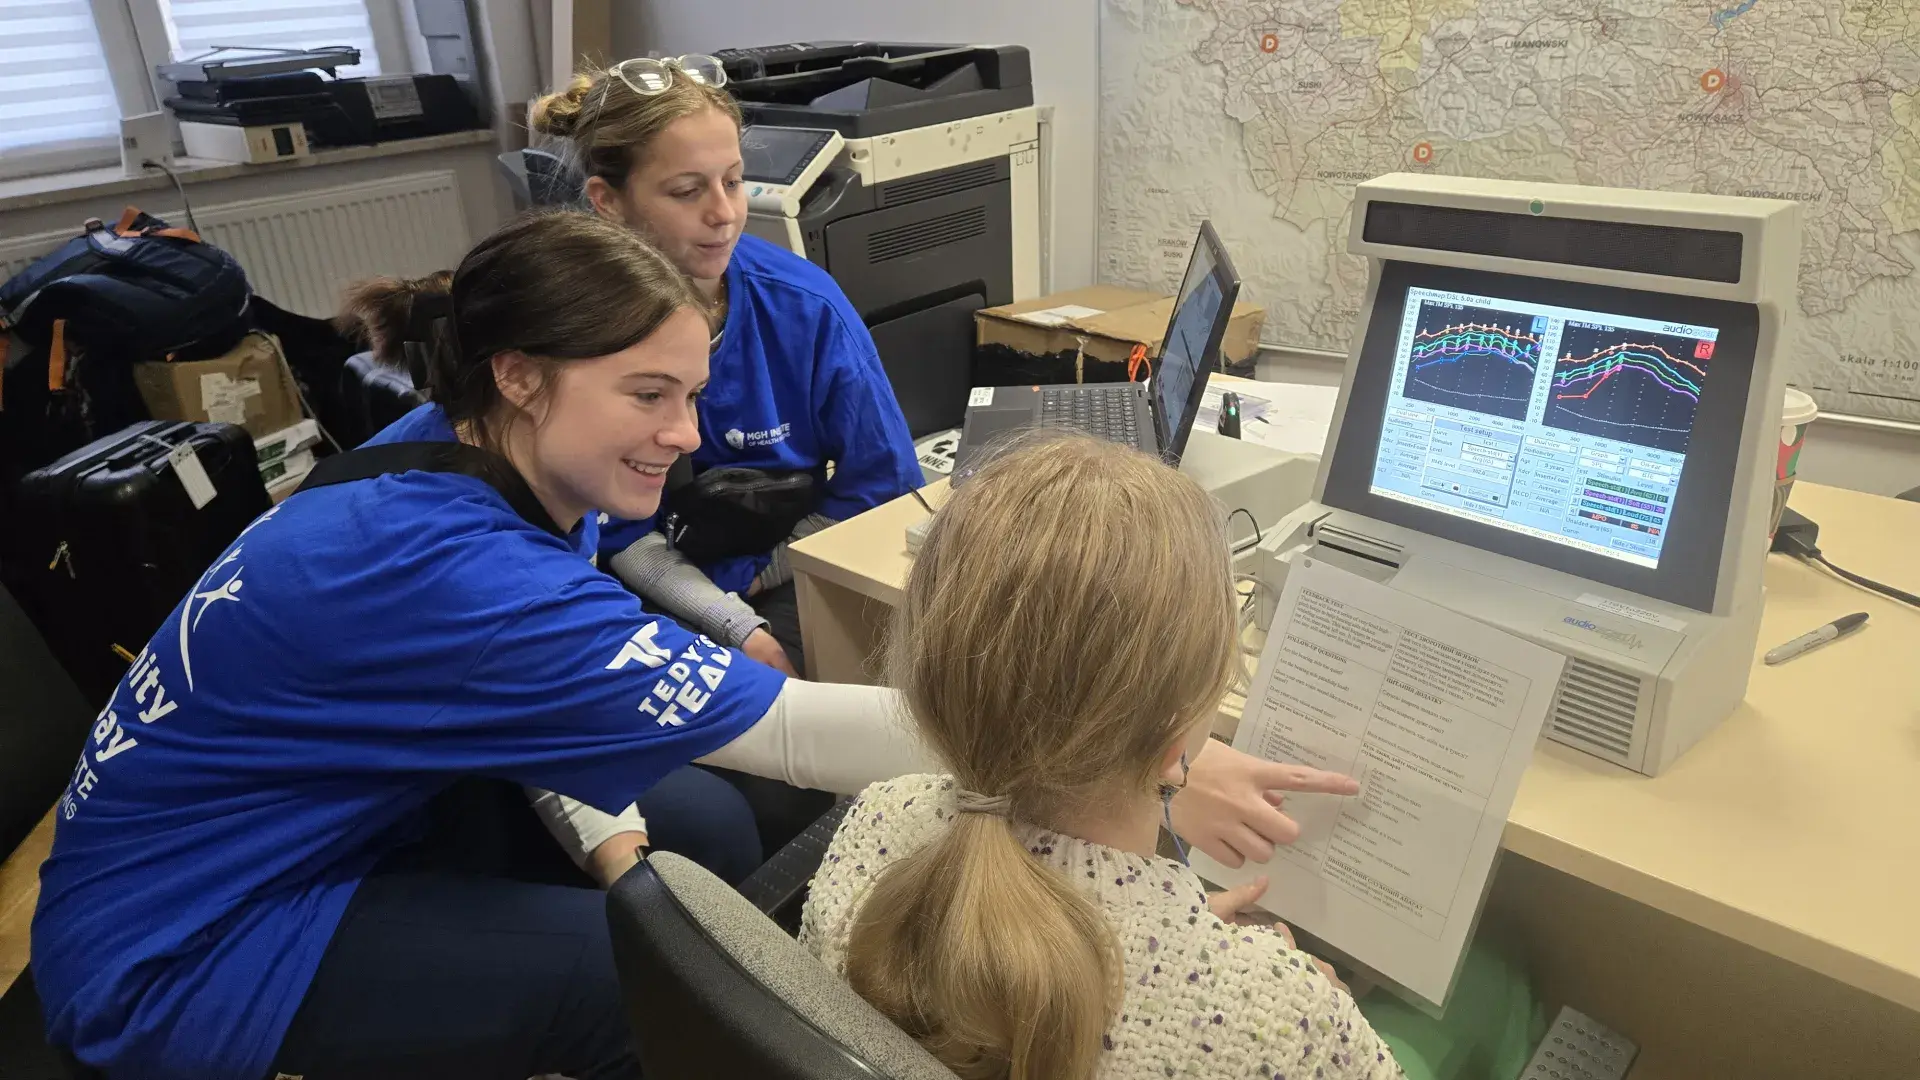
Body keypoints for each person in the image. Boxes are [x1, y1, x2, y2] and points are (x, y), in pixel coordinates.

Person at [30, 213, 1360, 1080]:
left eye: (693, 394)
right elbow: (790, 733)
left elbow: (513, 681)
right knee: (648, 976)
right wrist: (1146, 751)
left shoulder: (445, 459)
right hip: (188, 948)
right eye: (649, 398)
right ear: (520, 378)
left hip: (294, 822)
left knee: (708, 833)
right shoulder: (445, 568)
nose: (682, 437)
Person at [802, 433, 1401, 1080]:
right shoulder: (1283, 1021)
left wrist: (1185, 952)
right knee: (1497, 993)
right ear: (1176, 750)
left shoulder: (868, 829)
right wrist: (1314, 1015)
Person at [529, 55, 923, 677]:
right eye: (688, 191)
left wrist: (759, 583)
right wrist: (733, 626)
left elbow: (883, 481)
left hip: (791, 558)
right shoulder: (575, 332)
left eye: (734, 181)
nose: (724, 213)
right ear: (609, 201)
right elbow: (614, 533)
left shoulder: (806, 307)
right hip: (648, 583)